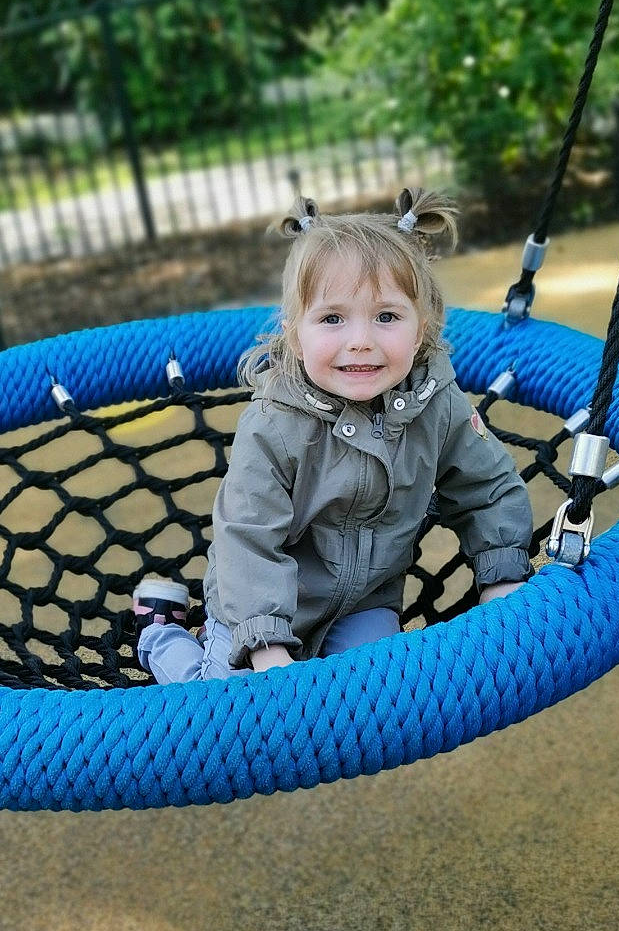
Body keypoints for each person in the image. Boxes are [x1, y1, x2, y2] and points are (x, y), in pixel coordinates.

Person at [133, 188, 533, 683]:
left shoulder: (437, 403)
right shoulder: (273, 425)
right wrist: (266, 645)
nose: (360, 340)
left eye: (386, 316)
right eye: (332, 318)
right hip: (256, 605)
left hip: (365, 603)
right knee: (231, 708)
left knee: (377, 692)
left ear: (421, 327)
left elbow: (486, 487)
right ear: (296, 336)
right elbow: (246, 540)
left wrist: (502, 574)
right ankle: (158, 634)